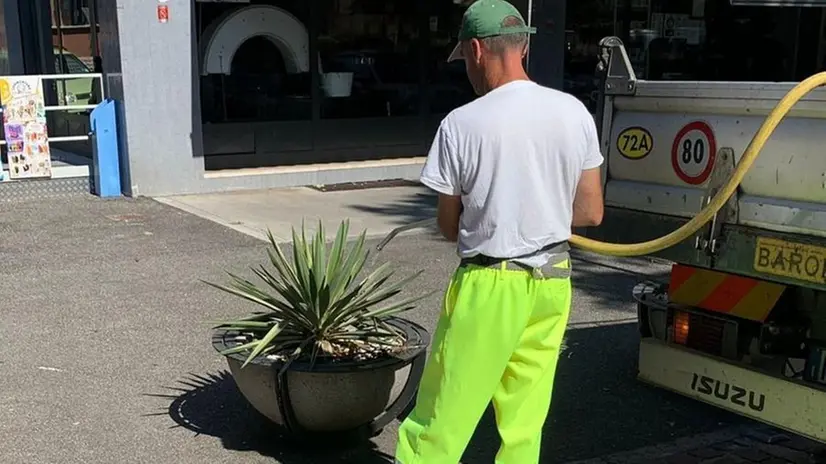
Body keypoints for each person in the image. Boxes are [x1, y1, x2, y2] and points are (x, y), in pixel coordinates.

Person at [393, 0, 605, 462]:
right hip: (553, 280)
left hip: (490, 284)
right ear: (523, 46)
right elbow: (590, 212)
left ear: (474, 49)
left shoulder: (461, 125)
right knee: (524, 424)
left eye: (465, 59)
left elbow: (448, 226)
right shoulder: (573, 113)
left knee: (440, 418)